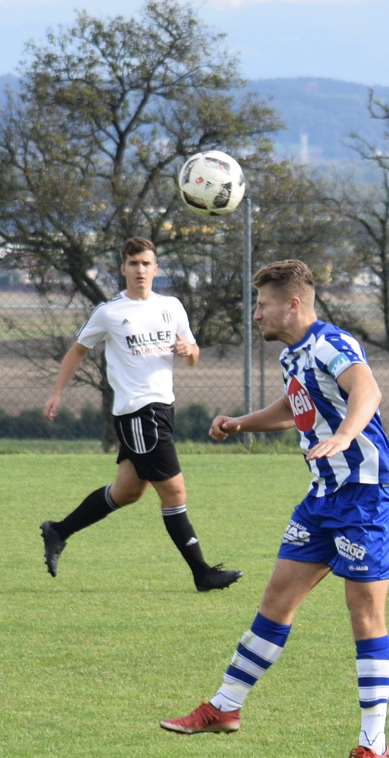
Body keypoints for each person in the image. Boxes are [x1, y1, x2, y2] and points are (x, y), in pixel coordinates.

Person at [159, 259, 389, 758]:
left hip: (368, 499)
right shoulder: (294, 353)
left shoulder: (331, 343)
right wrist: (241, 423)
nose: (256, 314)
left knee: (365, 615)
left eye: (264, 304)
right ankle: (225, 706)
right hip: (322, 499)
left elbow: (367, 391)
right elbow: (297, 409)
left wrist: (345, 435)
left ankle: (373, 744)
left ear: (294, 304)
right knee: (276, 599)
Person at [39, 237, 241, 593]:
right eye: (133, 263)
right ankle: (202, 573)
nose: (140, 270)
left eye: (146, 263)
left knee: (129, 491)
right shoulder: (110, 312)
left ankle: (58, 530)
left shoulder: (171, 306)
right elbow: (78, 350)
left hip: (163, 409)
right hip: (138, 413)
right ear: (123, 269)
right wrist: (56, 392)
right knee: (174, 491)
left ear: (156, 268)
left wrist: (189, 350)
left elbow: (193, 355)